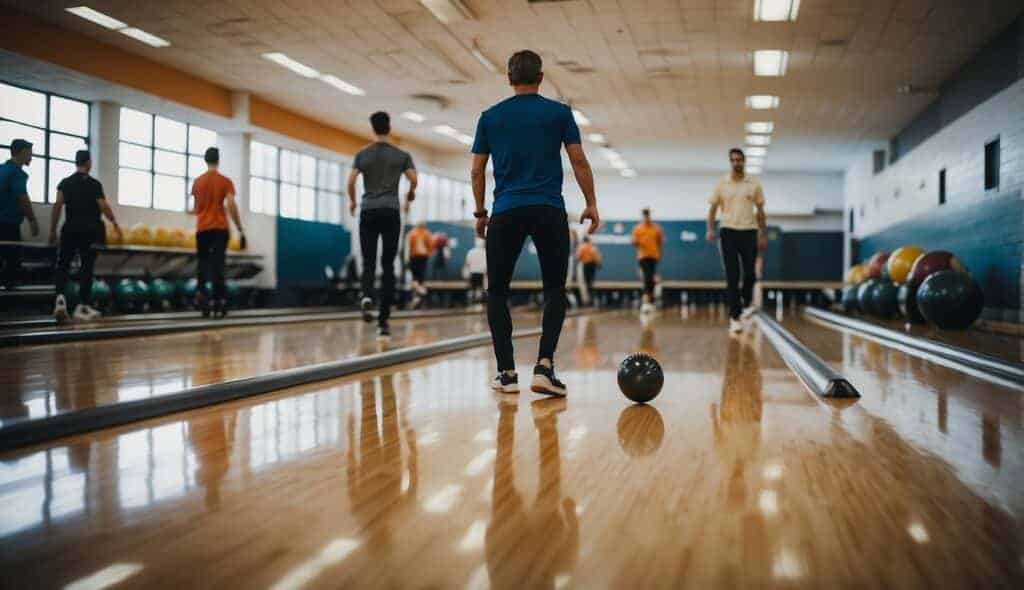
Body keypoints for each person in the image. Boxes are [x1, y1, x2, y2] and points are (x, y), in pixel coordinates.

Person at [471, 49, 600, 397]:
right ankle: (545, 366)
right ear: (541, 78)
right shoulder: (559, 113)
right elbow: (578, 160)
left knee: (496, 291)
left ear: (509, 79)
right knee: (555, 289)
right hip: (548, 210)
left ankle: (507, 373)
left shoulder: (490, 117)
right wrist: (591, 203)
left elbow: (477, 169)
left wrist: (481, 214)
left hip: (507, 210)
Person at [348, 111, 418, 338]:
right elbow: (414, 179)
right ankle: (383, 323)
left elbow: (350, 181)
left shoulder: (362, 154)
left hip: (368, 210)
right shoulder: (401, 155)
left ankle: (367, 295)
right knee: (388, 264)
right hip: (391, 211)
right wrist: (409, 196)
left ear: (373, 129)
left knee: (368, 260)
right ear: (389, 128)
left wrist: (352, 201)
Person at [49, 150, 122, 322]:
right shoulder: (94, 184)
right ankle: (82, 306)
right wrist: (115, 224)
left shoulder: (65, 183)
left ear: (76, 162)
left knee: (63, 265)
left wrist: (53, 230)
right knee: (86, 268)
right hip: (89, 232)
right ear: (88, 163)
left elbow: (58, 205)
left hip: (70, 229)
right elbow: (103, 206)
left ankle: (60, 299)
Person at [706, 147, 767, 334]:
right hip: (728, 232)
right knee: (732, 276)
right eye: (733, 160)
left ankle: (747, 302)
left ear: (744, 161)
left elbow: (761, 212)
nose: (736, 163)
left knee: (750, 274)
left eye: (739, 160)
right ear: (729, 162)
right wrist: (710, 229)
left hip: (749, 232)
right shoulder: (722, 184)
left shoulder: (754, 184)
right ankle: (735, 317)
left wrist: (762, 234)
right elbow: (712, 209)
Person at [189, 147, 245, 318]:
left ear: (205, 160)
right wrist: (240, 229)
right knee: (218, 265)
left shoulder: (197, 182)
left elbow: (196, 208)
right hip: (220, 229)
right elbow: (231, 205)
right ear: (218, 160)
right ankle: (218, 301)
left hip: (202, 229)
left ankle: (202, 297)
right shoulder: (225, 181)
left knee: (202, 264)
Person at [0, 139, 41, 290]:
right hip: (8, 224)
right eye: (30, 154)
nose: (31, 157)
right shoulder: (18, 173)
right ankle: (10, 305)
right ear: (22, 152)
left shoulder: (1, 169)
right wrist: (32, 220)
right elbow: (22, 198)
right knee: (12, 261)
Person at [631, 208, 663, 313]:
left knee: (650, 279)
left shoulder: (656, 229)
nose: (646, 217)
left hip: (653, 256)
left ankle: (649, 301)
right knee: (647, 278)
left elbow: (660, 242)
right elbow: (633, 242)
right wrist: (635, 242)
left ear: (650, 215)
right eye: (645, 215)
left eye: (648, 215)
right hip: (643, 257)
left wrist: (659, 254)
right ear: (643, 216)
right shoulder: (638, 229)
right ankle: (646, 302)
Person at [405, 221, 433, 308]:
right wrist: (428, 253)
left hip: (414, 257)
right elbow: (431, 245)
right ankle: (420, 294)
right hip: (423, 257)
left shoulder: (412, 233)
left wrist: (407, 259)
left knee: (415, 277)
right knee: (421, 277)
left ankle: (419, 293)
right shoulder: (427, 233)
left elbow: (408, 247)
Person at [574, 235, 601, 306]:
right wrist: (598, 265)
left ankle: (586, 301)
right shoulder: (592, 247)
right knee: (590, 283)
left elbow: (577, 257)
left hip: (584, 265)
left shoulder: (582, 247)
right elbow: (597, 258)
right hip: (592, 266)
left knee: (584, 283)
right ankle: (590, 300)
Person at [463, 238, 487, 305]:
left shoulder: (471, 252)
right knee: (479, 289)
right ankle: (478, 303)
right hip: (481, 273)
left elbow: (467, 263)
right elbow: (487, 264)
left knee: (472, 288)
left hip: (472, 273)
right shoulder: (485, 252)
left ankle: (470, 302)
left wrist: (466, 274)